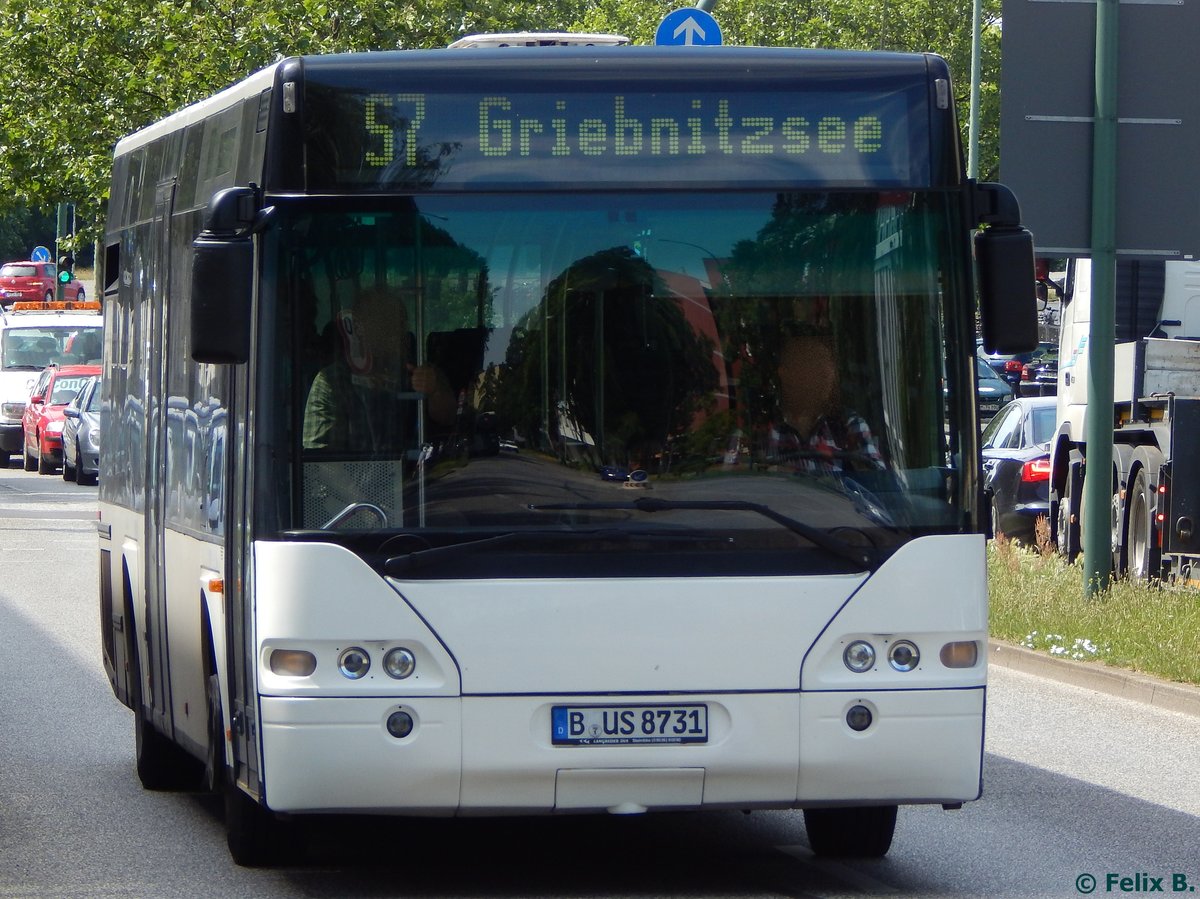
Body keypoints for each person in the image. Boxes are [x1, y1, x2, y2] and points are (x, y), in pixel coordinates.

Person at [302, 286, 456, 451]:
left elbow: (449, 418)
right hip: (351, 476)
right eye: (385, 326)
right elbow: (321, 461)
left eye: (401, 325)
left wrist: (434, 391)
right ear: (358, 330)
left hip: (416, 475)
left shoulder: (419, 374)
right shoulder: (333, 381)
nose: (398, 335)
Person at [771, 334, 884, 474]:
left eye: (827, 367)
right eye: (813, 365)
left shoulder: (849, 425)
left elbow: (878, 482)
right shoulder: (766, 428)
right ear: (786, 374)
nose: (825, 376)